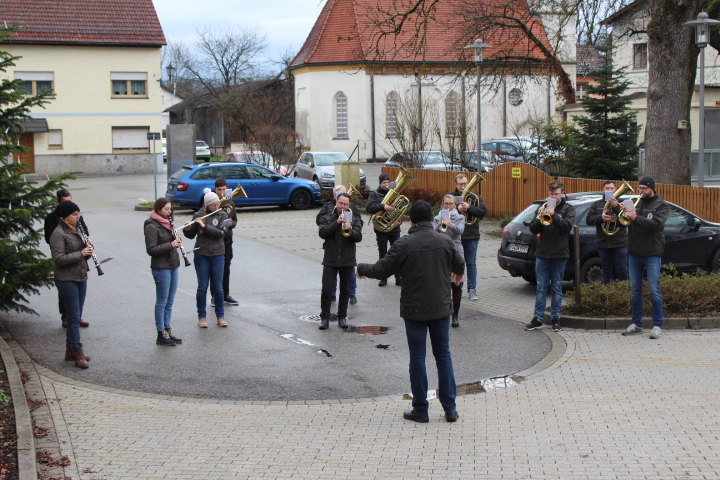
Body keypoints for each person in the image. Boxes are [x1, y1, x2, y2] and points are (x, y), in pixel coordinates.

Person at [357, 200, 465, 423]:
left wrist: (360, 268)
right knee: (443, 355)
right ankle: (450, 409)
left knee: (418, 358)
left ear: (411, 221)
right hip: (441, 307)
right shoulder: (445, 240)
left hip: (414, 309)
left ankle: (421, 409)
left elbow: (381, 270)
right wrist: (456, 275)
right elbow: (460, 265)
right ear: (430, 219)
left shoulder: (403, 243)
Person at [621, 176, 668, 339]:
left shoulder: (661, 205)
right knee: (635, 290)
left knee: (654, 290)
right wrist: (619, 210)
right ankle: (637, 323)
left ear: (652, 189)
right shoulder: (636, 203)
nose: (640, 191)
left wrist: (635, 217)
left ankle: (657, 325)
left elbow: (656, 226)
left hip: (652, 253)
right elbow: (626, 222)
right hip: (634, 252)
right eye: (639, 188)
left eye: (644, 189)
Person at [525, 180, 576, 332]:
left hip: (559, 254)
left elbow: (567, 227)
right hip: (542, 254)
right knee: (541, 288)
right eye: (551, 194)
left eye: (556, 194)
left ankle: (555, 318)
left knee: (557, 288)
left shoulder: (568, 208)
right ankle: (537, 319)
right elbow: (533, 229)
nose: (554, 196)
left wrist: (555, 216)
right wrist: (542, 214)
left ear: (563, 193)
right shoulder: (543, 207)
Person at [49, 201, 92, 368]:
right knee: (73, 317)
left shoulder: (77, 230)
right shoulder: (58, 234)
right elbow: (59, 259)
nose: (78, 217)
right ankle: (77, 350)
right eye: (75, 215)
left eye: (79, 214)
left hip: (80, 276)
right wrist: (80, 253)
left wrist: (88, 251)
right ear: (65, 217)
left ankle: (70, 350)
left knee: (77, 314)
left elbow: (82, 256)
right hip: (66, 279)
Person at [44, 189, 90, 328]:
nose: (69, 204)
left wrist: (86, 242)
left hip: (78, 255)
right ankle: (66, 316)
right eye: (65, 202)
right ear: (59, 202)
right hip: (64, 254)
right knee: (66, 289)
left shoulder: (76, 217)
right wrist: (69, 243)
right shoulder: (52, 219)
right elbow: (50, 238)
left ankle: (77, 317)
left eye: (70, 201)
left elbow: (85, 232)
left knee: (79, 290)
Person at [184, 188, 229, 328]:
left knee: (218, 287)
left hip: (217, 254)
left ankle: (220, 316)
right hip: (201, 254)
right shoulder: (198, 214)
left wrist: (205, 226)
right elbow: (191, 236)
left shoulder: (223, 214)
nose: (217, 207)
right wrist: (187, 230)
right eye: (213, 205)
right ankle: (202, 317)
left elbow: (220, 233)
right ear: (207, 205)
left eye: (217, 204)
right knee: (202, 287)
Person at [317, 192, 362, 329]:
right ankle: (324, 318)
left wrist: (350, 229)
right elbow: (322, 233)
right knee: (326, 290)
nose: (342, 206)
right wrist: (337, 223)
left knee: (345, 291)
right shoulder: (328, 217)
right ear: (336, 202)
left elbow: (358, 237)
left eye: (345, 204)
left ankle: (342, 317)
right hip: (330, 259)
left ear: (349, 205)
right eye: (340, 203)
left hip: (347, 260)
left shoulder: (354, 218)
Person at [144, 198, 183, 346]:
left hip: (173, 264)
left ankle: (168, 329)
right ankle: (160, 333)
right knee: (162, 302)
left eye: (170, 209)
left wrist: (176, 241)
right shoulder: (151, 225)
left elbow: (170, 244)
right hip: (161, 267)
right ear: (159, 209)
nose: (169, 212)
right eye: (166, 209)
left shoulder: (169, 223)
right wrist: (171, 244)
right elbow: (151, 249)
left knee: (170, 301)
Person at [452, 173, 487, 301]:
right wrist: (457, 208)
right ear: (456, 184)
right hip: (455, 236)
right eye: (460, 184)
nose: (463, 186)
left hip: (471, 235)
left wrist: (469, 207)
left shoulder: (475, 196)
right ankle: (456, 288)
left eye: (465, 183)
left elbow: (483, 212)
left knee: (471, 263)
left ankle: (472, 289)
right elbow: (443, 210)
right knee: (455, 264)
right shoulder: (451, 196)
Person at [585, 181, 628, 284]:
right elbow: (589, 220)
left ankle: (624, 293)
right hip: (603, 243)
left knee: (622, 270)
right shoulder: (597, 204)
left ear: (615, 189)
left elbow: (626, 221)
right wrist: (601, 217)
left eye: (612, 188)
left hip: (619, 243)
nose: (609, 190)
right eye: (607, 188)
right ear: (603, 190)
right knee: (606, 271)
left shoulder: (622, 203)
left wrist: (616, 207)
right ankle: (607, 295)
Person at [432, 194, 466, 327]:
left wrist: (450, 224)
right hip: (441, 252)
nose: (448, 206)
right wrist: (440, 222)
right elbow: (434, 232)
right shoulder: (438, 217)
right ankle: (444, 313)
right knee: (442, 286)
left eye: (450, 204)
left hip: (455, 250)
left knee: (456, 286)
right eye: (445, 204)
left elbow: (460, 231)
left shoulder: (460, 217)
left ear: (455, 205)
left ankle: (455, 315)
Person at [366, 173, 403, 287]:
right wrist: (382, 206)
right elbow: (369, 208)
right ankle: (383, 278)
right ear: (380, 183)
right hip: (381, 229)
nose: (386, 184)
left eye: (388, 182)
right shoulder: (375, 194)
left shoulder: (395, 194)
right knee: (383, 254)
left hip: (394, 228)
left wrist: (399, 220)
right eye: (384, 183)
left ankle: (399, 277)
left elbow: (400, 209)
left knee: (397, 253)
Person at [211, 179, 239, 306]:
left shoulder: (230, 202)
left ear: (227, 189)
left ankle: (225, 294)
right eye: (219, 190)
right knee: (215, 269)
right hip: (215, 240)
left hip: (227, 239)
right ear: (215, 189)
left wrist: (232, 224)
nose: (221, 193)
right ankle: (214, 296)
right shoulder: (210, 201)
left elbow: (235, 219)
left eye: (224, 189)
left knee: (226, 268)